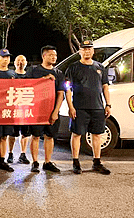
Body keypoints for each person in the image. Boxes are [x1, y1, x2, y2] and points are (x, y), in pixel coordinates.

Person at [65, 40, 112, 175]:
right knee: (77, 134)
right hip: (79, 107)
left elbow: (105, 87)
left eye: (89, 49)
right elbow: (67, 88)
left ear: (93, 51)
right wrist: (71, 107)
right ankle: (75, 162)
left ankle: (97, 162)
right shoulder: (73, 68)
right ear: (80, 51)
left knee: (97, 134)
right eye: (84, 49)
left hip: (97, 107)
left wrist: (108, 104)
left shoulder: (100, 67)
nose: (87, 51)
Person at [27, 45, 65, 173]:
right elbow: (26, 86)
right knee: (35, 136)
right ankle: (35, 162)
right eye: (51, 55)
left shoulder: (58, 73)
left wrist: (56, 111)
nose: (54, 57)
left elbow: (61, 94)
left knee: (50, 136)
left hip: (51, 111)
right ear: (44, 56)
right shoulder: (34, 71)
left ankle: (48, 162)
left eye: (55, 55)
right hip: (36, 110)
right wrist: (43, 80)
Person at [7, 54, 31, 165]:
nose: (20, 62)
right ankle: (10, 153)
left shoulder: (29, 76)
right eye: (18, 60)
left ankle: (23, 154)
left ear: (26, 63)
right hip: (13, 109)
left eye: (23, 60)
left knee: (25, 133)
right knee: (12, 133)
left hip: (26, 109)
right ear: (15, 62)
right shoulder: (11, 75)